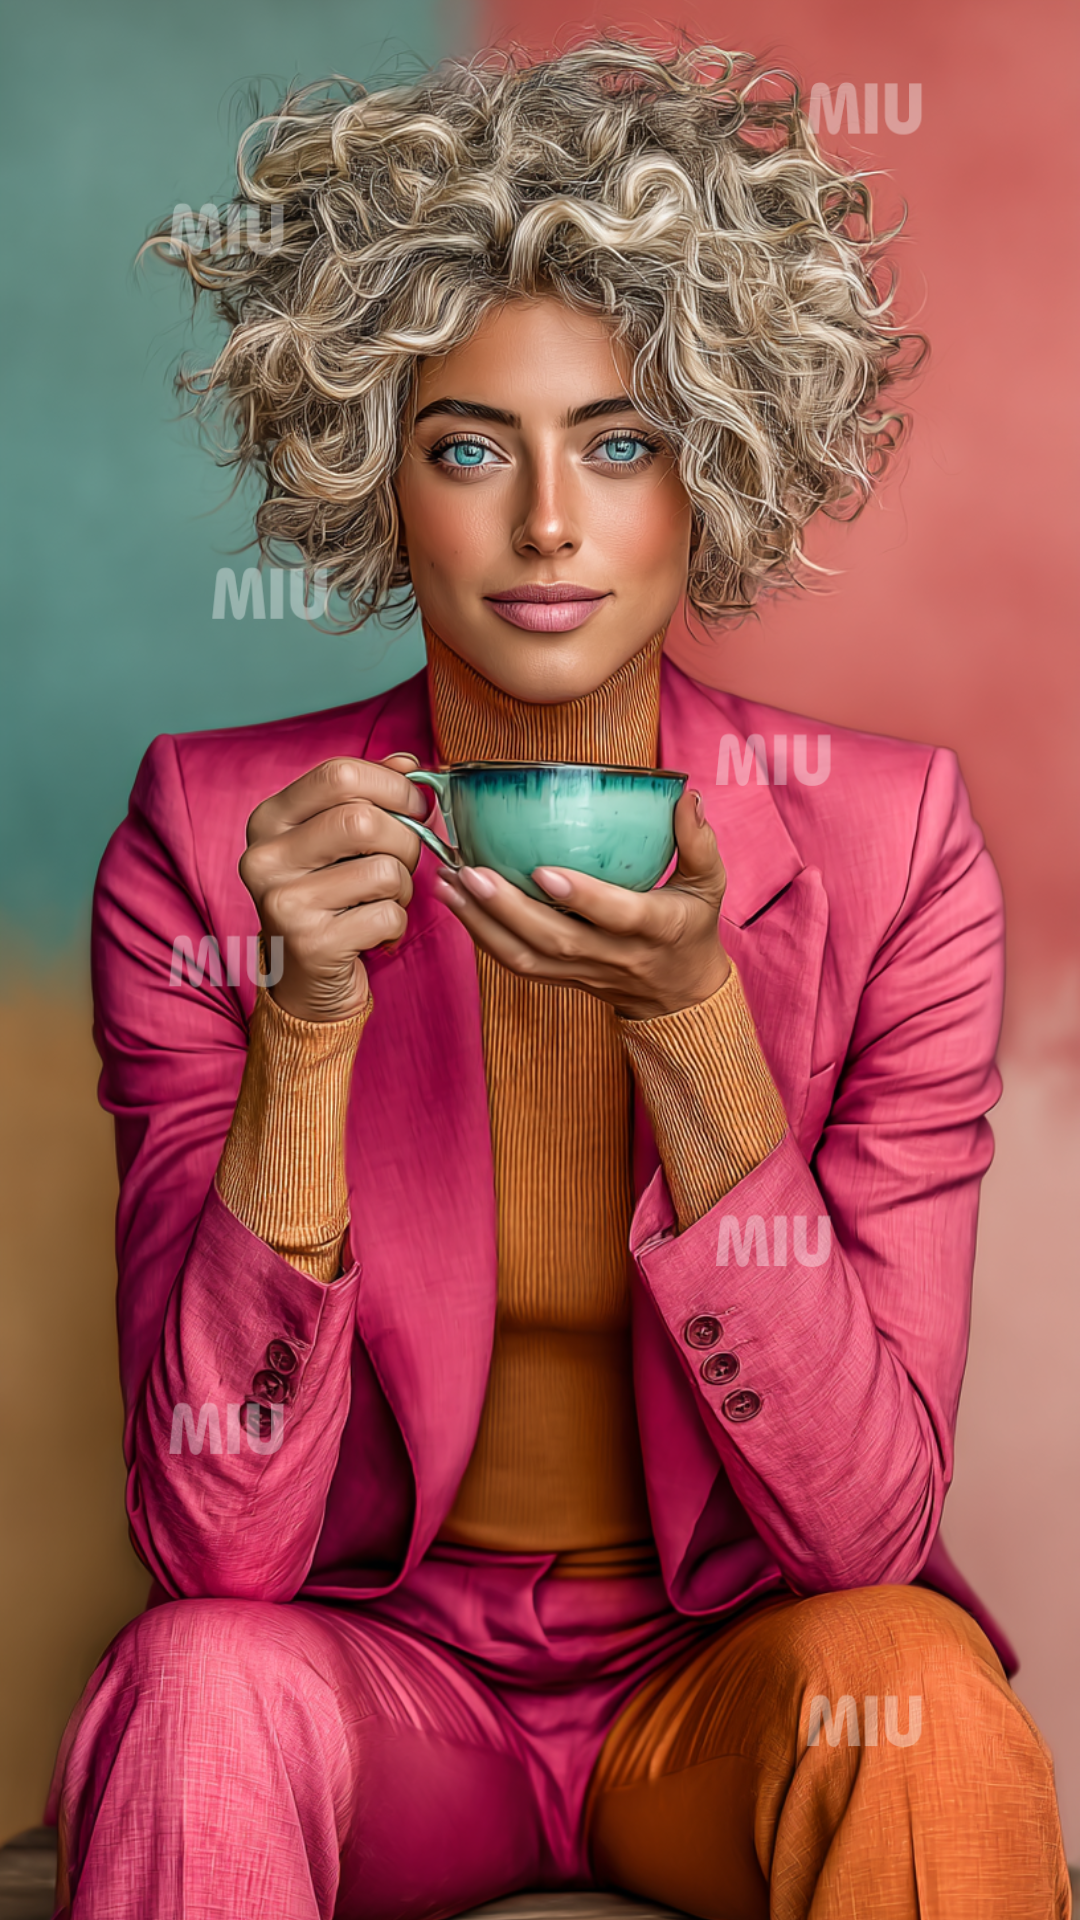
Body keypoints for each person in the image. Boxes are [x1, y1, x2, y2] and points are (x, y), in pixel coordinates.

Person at [48, 41, 1070, 1920]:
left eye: (620, 442)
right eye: (467, 448)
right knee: (195, 1684)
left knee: (917, 1688)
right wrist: (303, 1028)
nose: (544, 524)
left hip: (724, 1691)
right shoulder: (210, 837)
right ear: (375, 472)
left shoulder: (893, 845)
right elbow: (216, 1539)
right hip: (384, 1690)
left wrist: (697, 1036)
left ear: (717, 466)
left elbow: (863, 1524)